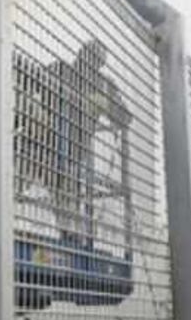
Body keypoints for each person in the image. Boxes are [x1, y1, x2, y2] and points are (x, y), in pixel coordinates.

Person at [14, 39, 132, 243]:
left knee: (69, 217)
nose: (88, 63)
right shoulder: (61, 70)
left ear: (98, 65)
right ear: (80, 55)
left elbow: (125, 118)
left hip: (69, 159)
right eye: (87, 56)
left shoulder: (103, 86)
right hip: (39, 145)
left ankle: (71, 242)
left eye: (94, 60)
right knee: (10, 183)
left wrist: (106, 103)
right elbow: (27, 82)